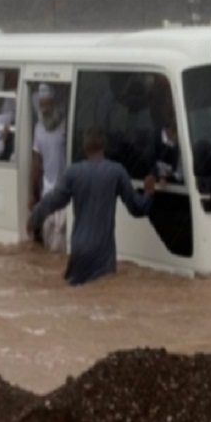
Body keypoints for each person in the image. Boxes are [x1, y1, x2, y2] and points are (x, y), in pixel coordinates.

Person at [28, 127, 156, 286]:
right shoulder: (116, 171)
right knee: (103, 292)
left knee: (76, 292)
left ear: (84, 147)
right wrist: (149, 193)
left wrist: (33, 219)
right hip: (103, 253)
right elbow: (137, 208)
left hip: (79, 248)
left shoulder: (73, 172)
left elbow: (52, 201)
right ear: (105, 146)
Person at [30, 84, 69, 251]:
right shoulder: (38, 129)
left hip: (66, 193)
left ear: (55, 103)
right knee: (48, 242)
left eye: (48, 104)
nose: (45, 109)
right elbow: (36, 162)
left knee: (61, 243)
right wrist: (31, 194)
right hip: (47, 193)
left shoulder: (66, 126)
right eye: (42, 106)